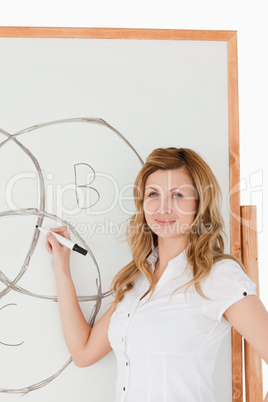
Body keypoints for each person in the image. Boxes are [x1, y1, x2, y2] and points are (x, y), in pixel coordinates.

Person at [46, 147, 268, 402]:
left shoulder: (218, 276)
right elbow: (83, 352)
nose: (163, 208)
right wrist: (61, 268)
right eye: (153, 194)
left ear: (199, 204)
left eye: (178, 195)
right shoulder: (138, 279)